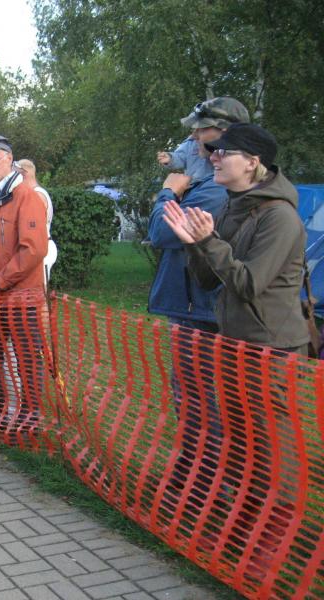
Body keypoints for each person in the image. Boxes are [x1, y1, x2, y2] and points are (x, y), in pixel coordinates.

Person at [162, 122, 308, 578]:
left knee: (272, 451)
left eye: (224, 152)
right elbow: (211, 279)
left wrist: (208, 241)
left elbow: (247, 284)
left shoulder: (279, 217)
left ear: (253, 162)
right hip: (235, 343)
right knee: (242, 445)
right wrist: (193, 244)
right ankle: (242, 529)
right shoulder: (232, 205)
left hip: (271, 349)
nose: (213, 157)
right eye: (214, 151)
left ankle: (273, 544)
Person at [147, 97, 250, 501]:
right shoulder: (207, 183)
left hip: (201, 309)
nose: (193, 137)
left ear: (224, 135)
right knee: (193, 397)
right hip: (194, 304)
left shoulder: (214, 192)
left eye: (202, 130)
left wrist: (167, 193)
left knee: (200, 399)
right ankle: (196, 475)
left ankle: (207, 485)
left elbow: (162, 233)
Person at [0, 134, 48, 430]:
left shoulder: (27, 197)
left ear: (9, 160)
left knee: (27, 361)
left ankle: (30, 420)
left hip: (21, 299)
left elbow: (33, 250)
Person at [15, 158, 58, 284]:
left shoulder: (36, 195)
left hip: (40, 249)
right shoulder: (33, 193)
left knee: (38, 290)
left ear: (23, 174)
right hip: (36, 248)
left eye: (15, 174)